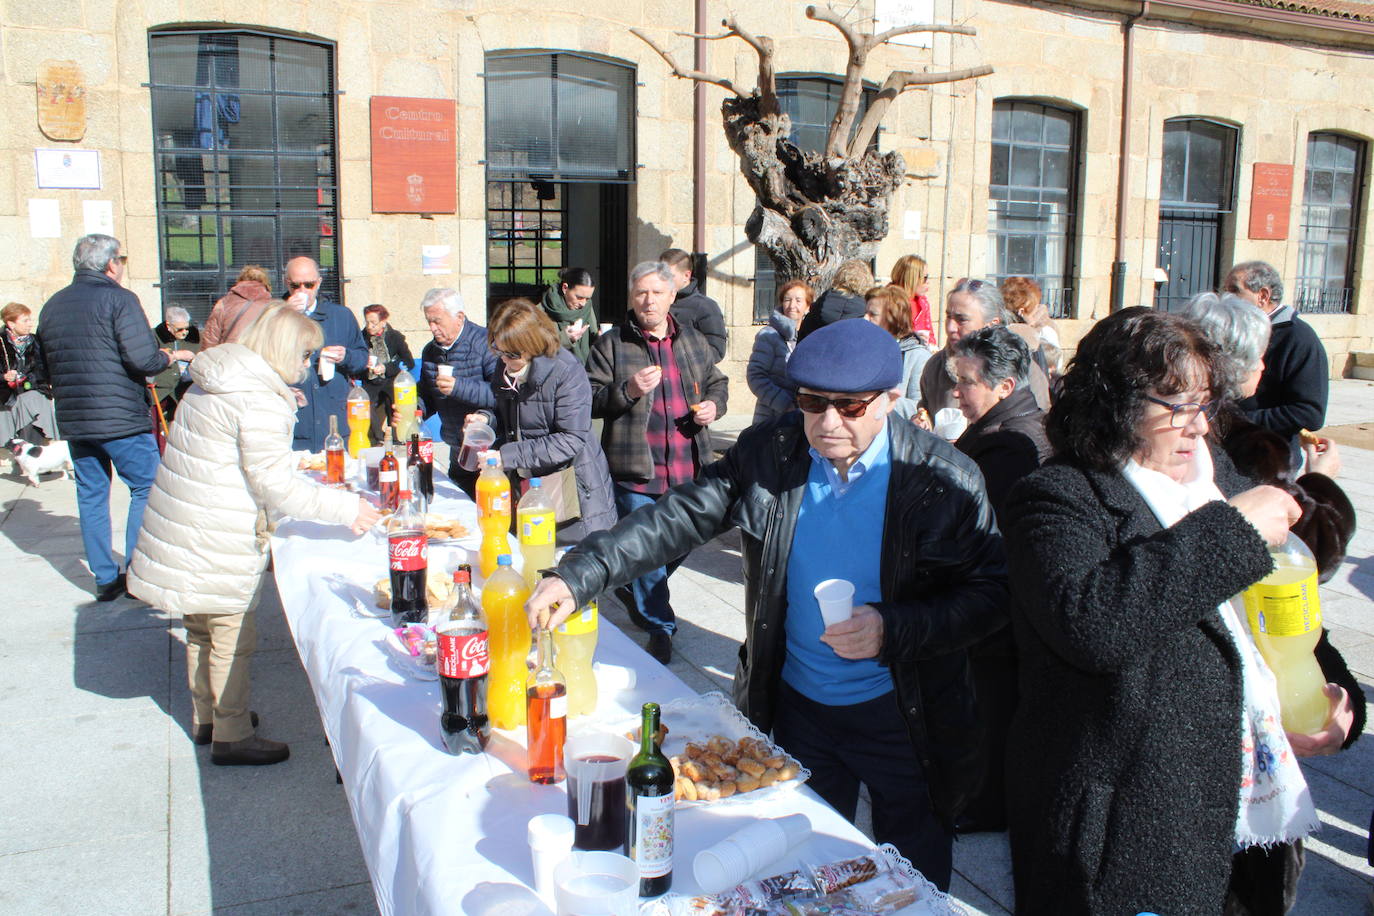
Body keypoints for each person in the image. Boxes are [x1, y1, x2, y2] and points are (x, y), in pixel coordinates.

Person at [528, 318, 1008, 889]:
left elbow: (992, 595)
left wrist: (893, 628)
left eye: (850, 408)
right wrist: (580, 572)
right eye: (811, 402)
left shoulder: (942, 477)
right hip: (798, 707)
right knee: (798, 864)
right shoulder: (773, 452)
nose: (827, 423)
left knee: (912, 876)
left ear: (892, 398)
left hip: (906, 716)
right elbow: (677, 517)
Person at [1001, 307, 1352, 915]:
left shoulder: (1224, 483)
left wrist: (1339, 697)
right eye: (1175, 405)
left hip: (1250, 821)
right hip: (1131, 833)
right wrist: (1233, 532)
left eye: (1204, 403)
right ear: (1115, 405)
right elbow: (1093, 625)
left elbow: (1289, 623)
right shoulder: (1057, 498)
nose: (1197, 426)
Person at [128, 302, 380, 766]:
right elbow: (275, 484)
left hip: (190, 521)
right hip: (218, 528)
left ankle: (209, 716)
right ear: (284, 351)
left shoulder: (219, 378)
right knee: (231, 632)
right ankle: (232, 732)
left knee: (200, 627)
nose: (308, 366)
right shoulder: (257, 397)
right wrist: (347, 509)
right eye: (305, 356)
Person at [585, 261, 729, 663]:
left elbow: (718, 381)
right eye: (640, 293)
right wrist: (626, 390)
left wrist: (714, 405)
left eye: (655, 292)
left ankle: (632, 584)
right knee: (649, 550)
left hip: (688, 467)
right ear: (632, 298)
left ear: (671, 296)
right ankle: (660, 625)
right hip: (637, 471)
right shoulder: (612, 344)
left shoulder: (692, 341)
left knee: (685, 540)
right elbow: (591, 398)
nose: (648, 300)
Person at [38, 234, 192, 601]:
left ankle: (105, 578)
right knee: (146, 487)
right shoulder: (119, 298)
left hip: (76, 419)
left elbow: (46, 367)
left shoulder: (52, 305)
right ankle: (138, 572)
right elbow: (144, 359)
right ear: (110, 264)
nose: (121, 265)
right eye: (120, 258)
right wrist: (170, 358)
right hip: (121, 417)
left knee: (91, 494)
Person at [945, 325, 1050, 834]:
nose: (957, 393)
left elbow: (986, 530)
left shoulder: (1012, 444)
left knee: (992, 704)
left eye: (967, 383)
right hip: (998, 601)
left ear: (1005, 387)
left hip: (1001, 605)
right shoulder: (1004, 426)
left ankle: (986, 805)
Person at [462, 298, 617, 542]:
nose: (504, 360)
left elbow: (571, 439)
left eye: (511, 354)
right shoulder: (505, 367)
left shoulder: (566, 371)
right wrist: (484, 419)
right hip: (527, 487)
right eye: (498, 350)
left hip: (572, 493)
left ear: (533, 345)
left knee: (561, 567)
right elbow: (504, 414)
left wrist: (507, 456)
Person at [1224, 260, 1329, 469]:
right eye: (1225, 290)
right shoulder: (1233, 330)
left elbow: (1309, 413)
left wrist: (1241, 420)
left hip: (1268, 461)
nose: (1226, 298)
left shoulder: (1299, 339)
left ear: (1263, 296)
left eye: (1235, 290)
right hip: (1227, 452)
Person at [917, 278, 1050, 421]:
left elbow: (1038, 424)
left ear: (992, 324)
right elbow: (927, 411)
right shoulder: (935, 366)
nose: (950, 328)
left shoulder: (1021, 368)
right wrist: (922, 422)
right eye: (948, 316)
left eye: (962, 320)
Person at [415, 287, 497, 497]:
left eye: (437, 321)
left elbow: (501, 394)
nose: (433, 328)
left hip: (488, 450)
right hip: (456, 447)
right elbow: (427, 394)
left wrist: (458, 387)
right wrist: (413, 409)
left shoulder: (486, 344)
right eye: (428, 322)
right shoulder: (430, 351)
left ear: (459, 317)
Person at [283, 256, 368, 451]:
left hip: (333, 418)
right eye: (296, 285)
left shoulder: (340, 315)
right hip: (295, 421)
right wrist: (286, 315)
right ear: (287, 283)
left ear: (319, 283)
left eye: (309, 285)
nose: (303, 291)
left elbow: (362, 358)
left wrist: (345, 356)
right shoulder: (276, 317)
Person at [747, 279, 812, 425]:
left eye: (798, 300)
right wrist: (786, 404)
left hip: (804, 418)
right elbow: (755, 376)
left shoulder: (810, 336)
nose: (792, 305)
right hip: (772, 417)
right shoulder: (768, 335)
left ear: (808, 306)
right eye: (787, 300)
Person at [863, 284, 929, 420]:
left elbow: (920, 408)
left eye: (873, 314)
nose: (864, 318)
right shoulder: (863, 351)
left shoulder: (918, 356)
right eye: (866, 312)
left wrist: (877, 399)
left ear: (893, 318)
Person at [1, 302, 56, 445]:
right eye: (25, 320)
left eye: (30, 319)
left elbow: (44, 369)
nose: (30, 324)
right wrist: (4, 377)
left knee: (31, 400)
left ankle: (32, 452)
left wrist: (27, 379)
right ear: (11, 324)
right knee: (15, 402)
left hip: (33, 389)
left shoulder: (36, 341)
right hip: (5, 393)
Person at [359, 304, 414, 445]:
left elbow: (409, 361)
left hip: (390, 378)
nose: (369, 326)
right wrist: (364, 364)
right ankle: (378, 437)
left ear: (383, 322)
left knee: (395, 401)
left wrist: (386, 367)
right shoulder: (361, 338)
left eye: (374, 323)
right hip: (370, 379)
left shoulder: (395, 337)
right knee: (364, 403)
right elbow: (355, 358)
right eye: (367, 322)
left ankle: (398, 437)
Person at [660, 248, 727, 362]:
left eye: (669, 276)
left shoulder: (706, 307)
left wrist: (683, 363)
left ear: (686, 275)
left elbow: (716, 350)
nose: (663, 280)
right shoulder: (656, 301)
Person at [797, 259, 872, 341]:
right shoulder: (867, 318)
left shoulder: (814, 315)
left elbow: (801, 350)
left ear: (837, 278)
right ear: (867, 283)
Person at [201, 264, 273, 349]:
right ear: (265, 282)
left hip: (230, 355)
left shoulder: (225, 303)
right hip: (260, 357)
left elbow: (211, 337)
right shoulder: (271, 306)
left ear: (240, 280)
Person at [539, 267, 599, 365]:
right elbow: (536, 350)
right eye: (579, 297)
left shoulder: (587, 307)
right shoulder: (540, 313)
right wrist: (565, 338)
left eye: (587, 298)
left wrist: (602, 338)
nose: (583, 303)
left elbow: (593, 339)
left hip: (584, 372)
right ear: (565, 288)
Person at [152, 306, 201, 419]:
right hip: (161, 388)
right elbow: (149, 360)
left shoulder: (194, 337)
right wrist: (177, 355)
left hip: (186, 389)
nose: (184, 333)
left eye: (186, 328)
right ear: (168, 326)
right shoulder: (152, 336)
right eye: (180, 329)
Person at [999, 276, 1060, 350]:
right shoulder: (1038, 336)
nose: (1039, 310)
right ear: (1021, 312)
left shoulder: (995, 330)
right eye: (1035, 308)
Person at [889, 254, 936, 347]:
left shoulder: (922, 302)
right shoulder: (889, 301)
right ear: (911, 278)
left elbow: (930, 335)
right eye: (924, 277)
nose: (927, 282)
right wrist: (913, 337)